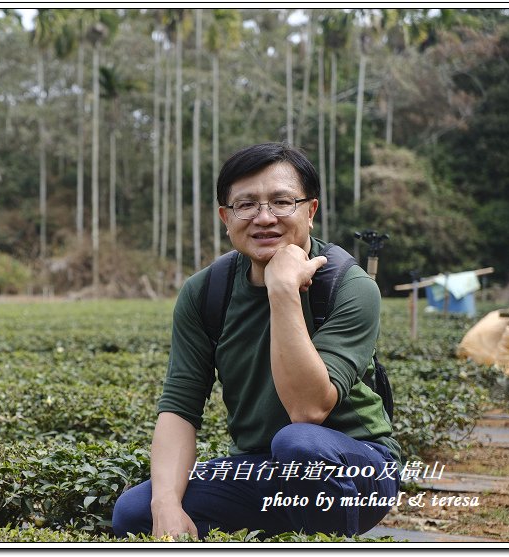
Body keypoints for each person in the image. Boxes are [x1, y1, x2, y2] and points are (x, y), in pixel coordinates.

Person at [111, 142, 401, 540]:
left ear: (310, 211)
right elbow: (179, 407)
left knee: (299, 444)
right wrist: (166, 506)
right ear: (225, 218)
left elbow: (308, 409)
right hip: (262, 468)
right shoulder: (206, 292)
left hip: (360, 469)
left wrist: (282, 290)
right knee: (134, 512)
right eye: (246, 205)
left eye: (282, 202)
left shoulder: (349, 286)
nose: (264, 218)